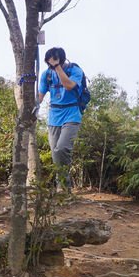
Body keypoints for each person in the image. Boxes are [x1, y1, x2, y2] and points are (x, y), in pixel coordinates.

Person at [36, 46, 85, 190]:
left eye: (53, 61)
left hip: (72, 113)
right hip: (54, 116)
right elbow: (39, 97)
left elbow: (69, 85)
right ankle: (63, 187)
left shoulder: (75, 70)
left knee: (62, 148)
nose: (50, 65)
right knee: (56, 154)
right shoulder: (47, 74)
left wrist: (58, 67)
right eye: (49, 63)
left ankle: (63, 187)